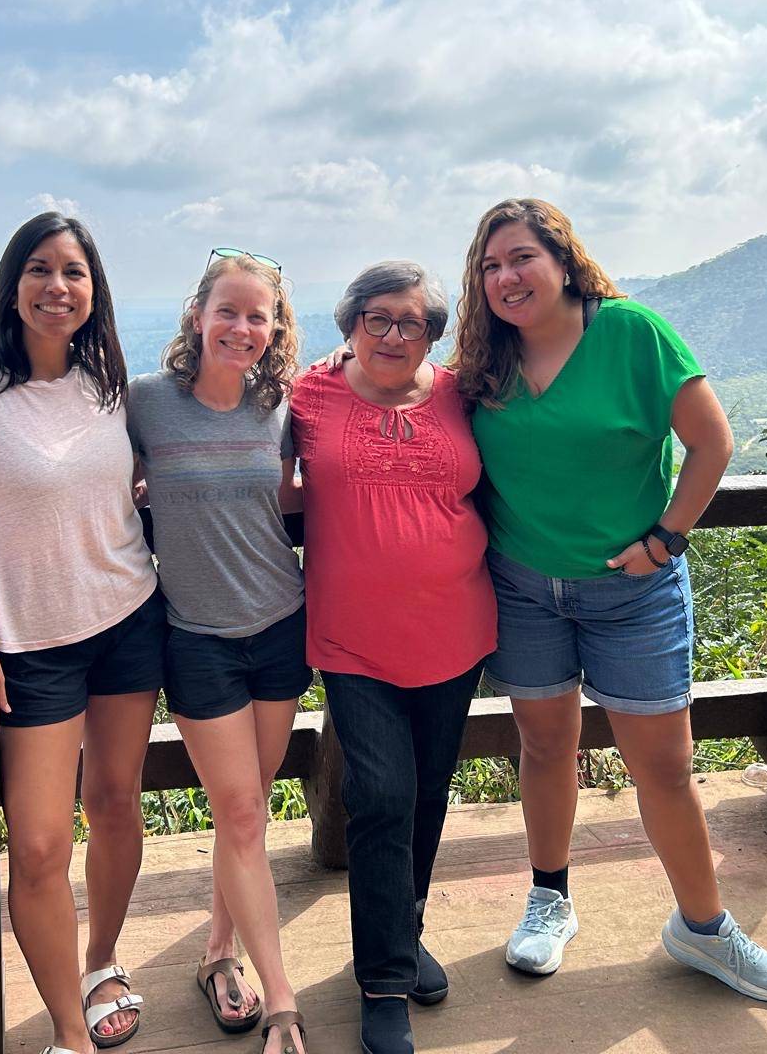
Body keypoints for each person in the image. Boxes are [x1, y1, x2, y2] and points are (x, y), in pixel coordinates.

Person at [452, 198, 767, 1002]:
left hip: (632, 592)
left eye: (521, 258)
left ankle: (705, 928)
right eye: (491, 266)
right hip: (523, 586)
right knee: (544, 749)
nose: (506, 278)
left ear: (564, 260)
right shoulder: (485, 360)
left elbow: (710, 443)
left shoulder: (632, 333)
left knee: (666, 769)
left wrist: (667, 538)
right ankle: (549, 899)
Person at [0, 212, 164, 1054]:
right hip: (28, 645)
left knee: (115, 803)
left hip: (130, 617)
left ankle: (100, 964)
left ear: (95, 292)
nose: (57, 287)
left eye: (75, 272)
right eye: (39, 269)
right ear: (12, 284)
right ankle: (70, 1033)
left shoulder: (109, 382)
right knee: (37, 842)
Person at [290, 261, 496, 1054]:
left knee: (429, 793)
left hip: (456, 628)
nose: (393, 335)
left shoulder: (458, 395)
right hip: (352, 638)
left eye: (412, 323)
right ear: (350, 322)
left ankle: (404, 933)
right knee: (380, 795)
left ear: (433, 335)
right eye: (377, 318)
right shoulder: (308, 397)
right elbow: (242, 450)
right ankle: (382, 984)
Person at [126, 249, 308, 1054]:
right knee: (238, 811)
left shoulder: (284, 407)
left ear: (275, 329)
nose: (242, 327)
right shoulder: (145, 405)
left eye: (257, 315)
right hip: (196, 637)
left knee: (250, 811)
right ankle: (282, 1002)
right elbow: (93, 478)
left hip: (280, 626)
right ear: (198, 314)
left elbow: (299, 492)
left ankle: (215, 953)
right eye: (227, 311)